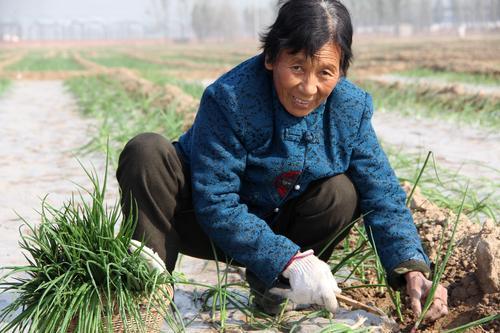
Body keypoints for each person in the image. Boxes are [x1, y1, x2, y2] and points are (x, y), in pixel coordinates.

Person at [117, 0, 448, 322]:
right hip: (205, 223)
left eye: (326, 72)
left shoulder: (350, 109)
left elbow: (383, 193)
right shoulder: (230, 98)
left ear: (342, 71)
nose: (308, 87)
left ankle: (276, 289)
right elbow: (216, 202)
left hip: (284, 224)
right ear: (272, 57)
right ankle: (145, 289)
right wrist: (287, 258)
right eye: (297, 67)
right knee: (147, 152)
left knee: (341, 192)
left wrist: (413, 269)